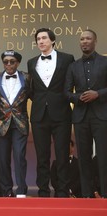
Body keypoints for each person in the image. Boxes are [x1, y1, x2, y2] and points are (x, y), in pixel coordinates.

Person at [27, 28, 75, 197]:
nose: (41, 41)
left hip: (61, 113)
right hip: (39, 114)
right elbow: (32, 90)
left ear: (53, 40)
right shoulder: (31, 62)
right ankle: (43, 192)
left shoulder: (67, 59)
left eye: (44, 38)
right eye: (38, 39)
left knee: (62, 154)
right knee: (42, 156)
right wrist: (42, 102)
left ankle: (62, 192)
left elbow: (70, 84)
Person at [64, 29, 107, 198]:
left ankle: (105, 193)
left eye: (88, 38)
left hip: (102, 115)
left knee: (103, 156)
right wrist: (78, 97)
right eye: (82, 39)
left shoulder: (105, 62)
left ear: (95, 41)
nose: (84, 41)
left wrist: (98, 94)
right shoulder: (73, 66)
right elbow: (66, 92)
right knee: (83, 158)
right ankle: (87, 195)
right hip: (81, 116)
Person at [0, 50, 31, 198]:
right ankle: (6, 191)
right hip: (1, 123)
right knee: (2, 159)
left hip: (20, 123)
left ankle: (21, 190)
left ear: (18, 63)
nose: (8, 64)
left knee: (20, 157)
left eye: (12, 61)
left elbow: (34, 95)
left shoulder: (27, 78)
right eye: (5, 61)